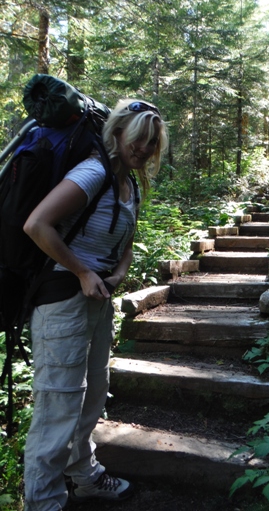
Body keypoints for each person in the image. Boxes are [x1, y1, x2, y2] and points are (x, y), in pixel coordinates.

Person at [22, 99, 168, 511]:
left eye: (152, 142)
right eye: (138, 138)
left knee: (92, 393)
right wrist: (83, 272)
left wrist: (118, 271)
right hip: (63, 300)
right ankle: (44, 502)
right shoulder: (92, 172)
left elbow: (127, 236)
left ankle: (84, 475)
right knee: (58, 403)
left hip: (96, 300)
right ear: (118, 133)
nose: (143, 148)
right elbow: (36, 225)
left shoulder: (130, 183)